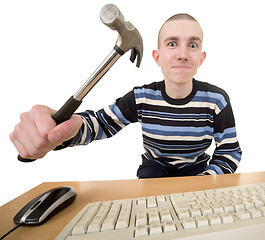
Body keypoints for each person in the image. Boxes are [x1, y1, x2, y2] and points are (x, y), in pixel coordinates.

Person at [9, 13, 242, 178]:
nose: (182, 54)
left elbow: (230, 151)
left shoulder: (216, 100)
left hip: (197, 172)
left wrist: (208, 178)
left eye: (192, 45)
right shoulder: (141, 97)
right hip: (154, 171)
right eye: (172, 44)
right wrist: (67, 131)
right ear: (157, 57)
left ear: (201, 58)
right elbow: (101, 123)